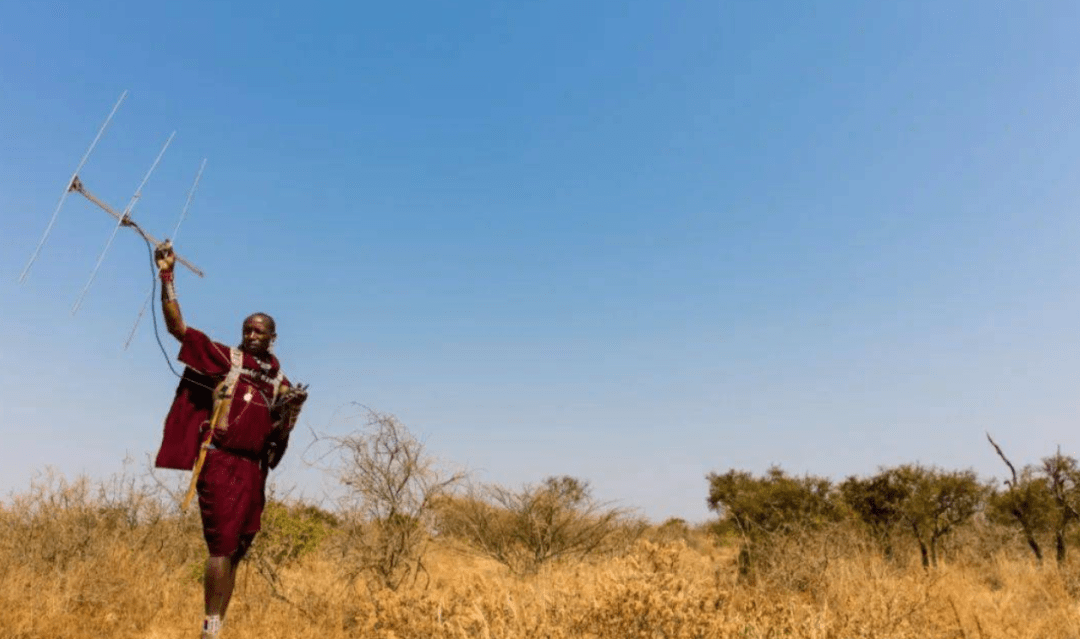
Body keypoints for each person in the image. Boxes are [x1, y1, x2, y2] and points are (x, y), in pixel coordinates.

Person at [152, 241, 308, 639]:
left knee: (240, 546)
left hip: (253, 469)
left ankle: (219, 624)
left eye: (258, 332)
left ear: (272, 337)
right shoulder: (227, 359)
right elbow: (177, 329)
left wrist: (291, 408)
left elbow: (278, 433)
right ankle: (210, 628)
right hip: (220, 460)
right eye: (246, 330)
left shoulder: (278, 380)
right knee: (220, 546)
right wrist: (167, 276)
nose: (250, 336)